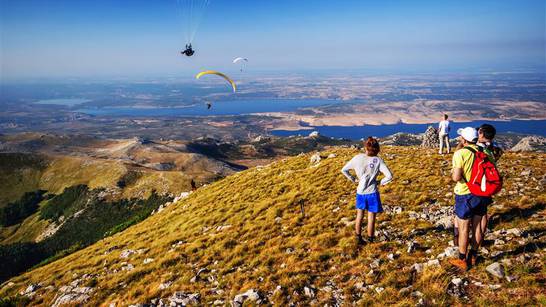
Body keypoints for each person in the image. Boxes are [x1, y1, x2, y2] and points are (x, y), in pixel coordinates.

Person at [449, 127, 493, 271]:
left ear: (464, 139)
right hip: (482, 194)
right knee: (478, 226)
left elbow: (456, 177)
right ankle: (473, 255)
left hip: (465, 194)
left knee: (463, 228)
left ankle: (462, 259)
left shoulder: (460, 153)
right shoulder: (485, 151)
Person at [341, 137, 393, 246]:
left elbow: (344, 170)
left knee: (359, 215)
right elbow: (389, 176)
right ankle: (370, 239)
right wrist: (380, 182)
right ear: (377, 149)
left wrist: (353, 179)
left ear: (366, 147)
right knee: (371, 217)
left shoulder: (357, 158)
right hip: (372, 192)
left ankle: (358, 237)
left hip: (360, 191)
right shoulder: (378, 160)